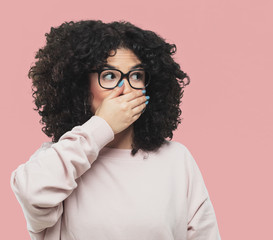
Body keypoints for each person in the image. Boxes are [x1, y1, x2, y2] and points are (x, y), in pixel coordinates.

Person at [10, 20, 221, 240]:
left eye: (136, 76)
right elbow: (31, 193)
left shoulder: (177, 160)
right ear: (81, 87)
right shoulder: (59, 161)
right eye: (110, 76)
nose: (126, 88)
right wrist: (102, 125)